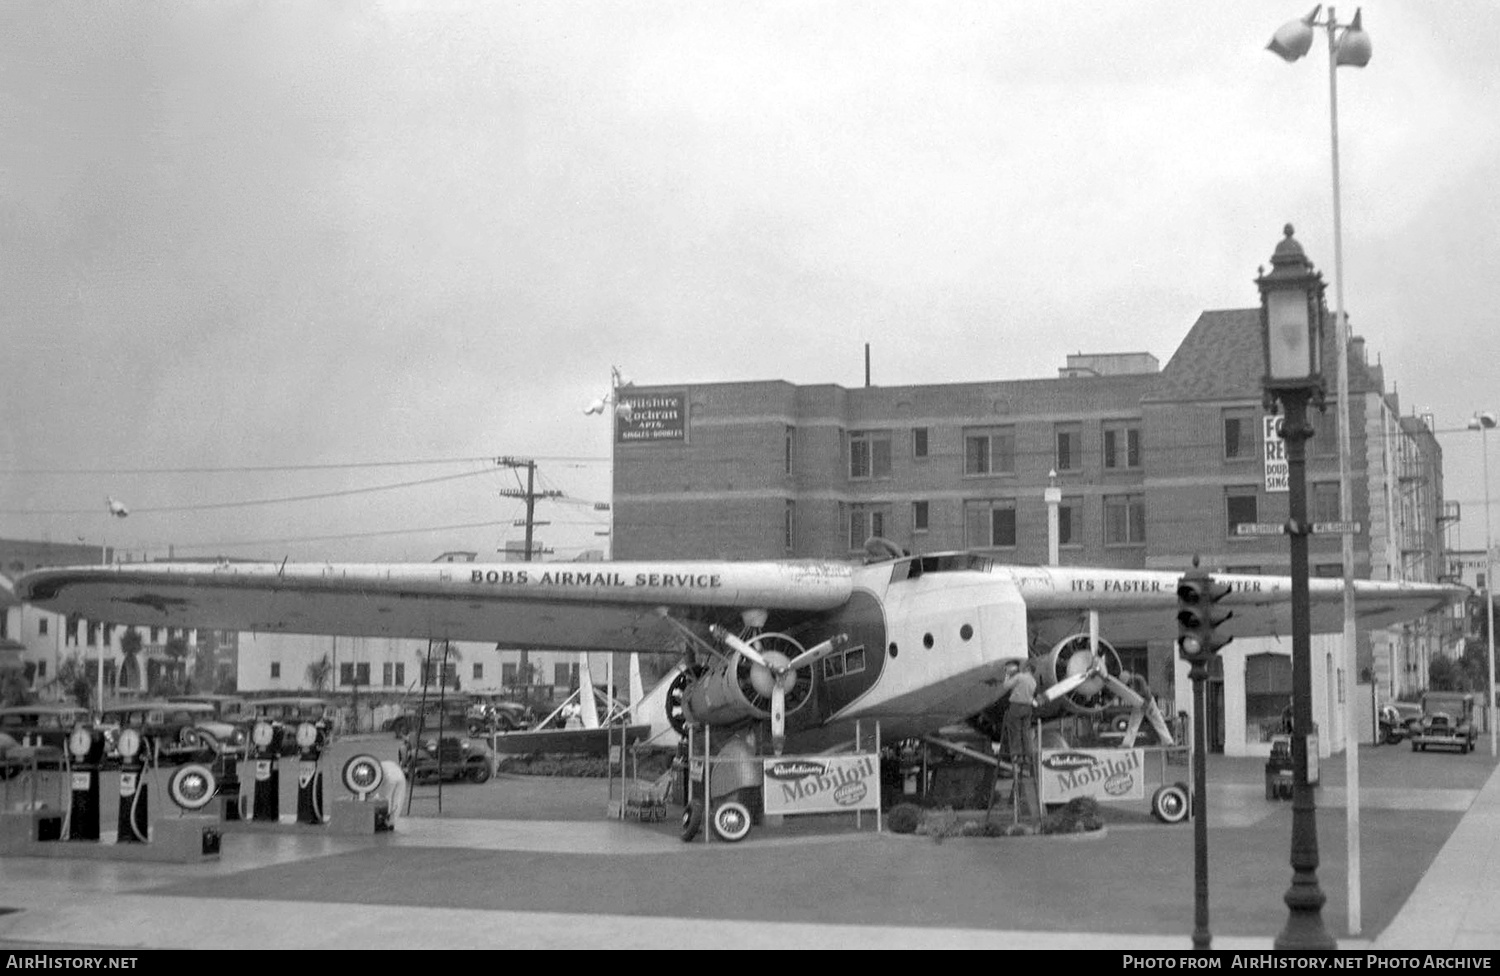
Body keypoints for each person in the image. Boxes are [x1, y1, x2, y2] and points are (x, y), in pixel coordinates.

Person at [998, 658, 1040, 766]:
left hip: (1016, 707)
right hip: (1028, 708)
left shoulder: (1020, 677)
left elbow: (1006, 686)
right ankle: (1028, 756)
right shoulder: (1033, 682)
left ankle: (1017, 756)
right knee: (1026, 732)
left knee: (1015, 730)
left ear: (1028, 668)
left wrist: (1007, 674)